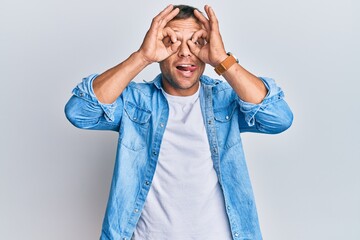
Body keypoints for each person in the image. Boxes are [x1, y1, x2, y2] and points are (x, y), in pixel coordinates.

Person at [65, 4, 293, 240]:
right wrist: (142, 57)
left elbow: (279, 118)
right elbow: (79, 112)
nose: (185, 52)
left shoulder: (225, 100)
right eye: (172, 42)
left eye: (196, 42)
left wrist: (222, 60)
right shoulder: (135, 101)